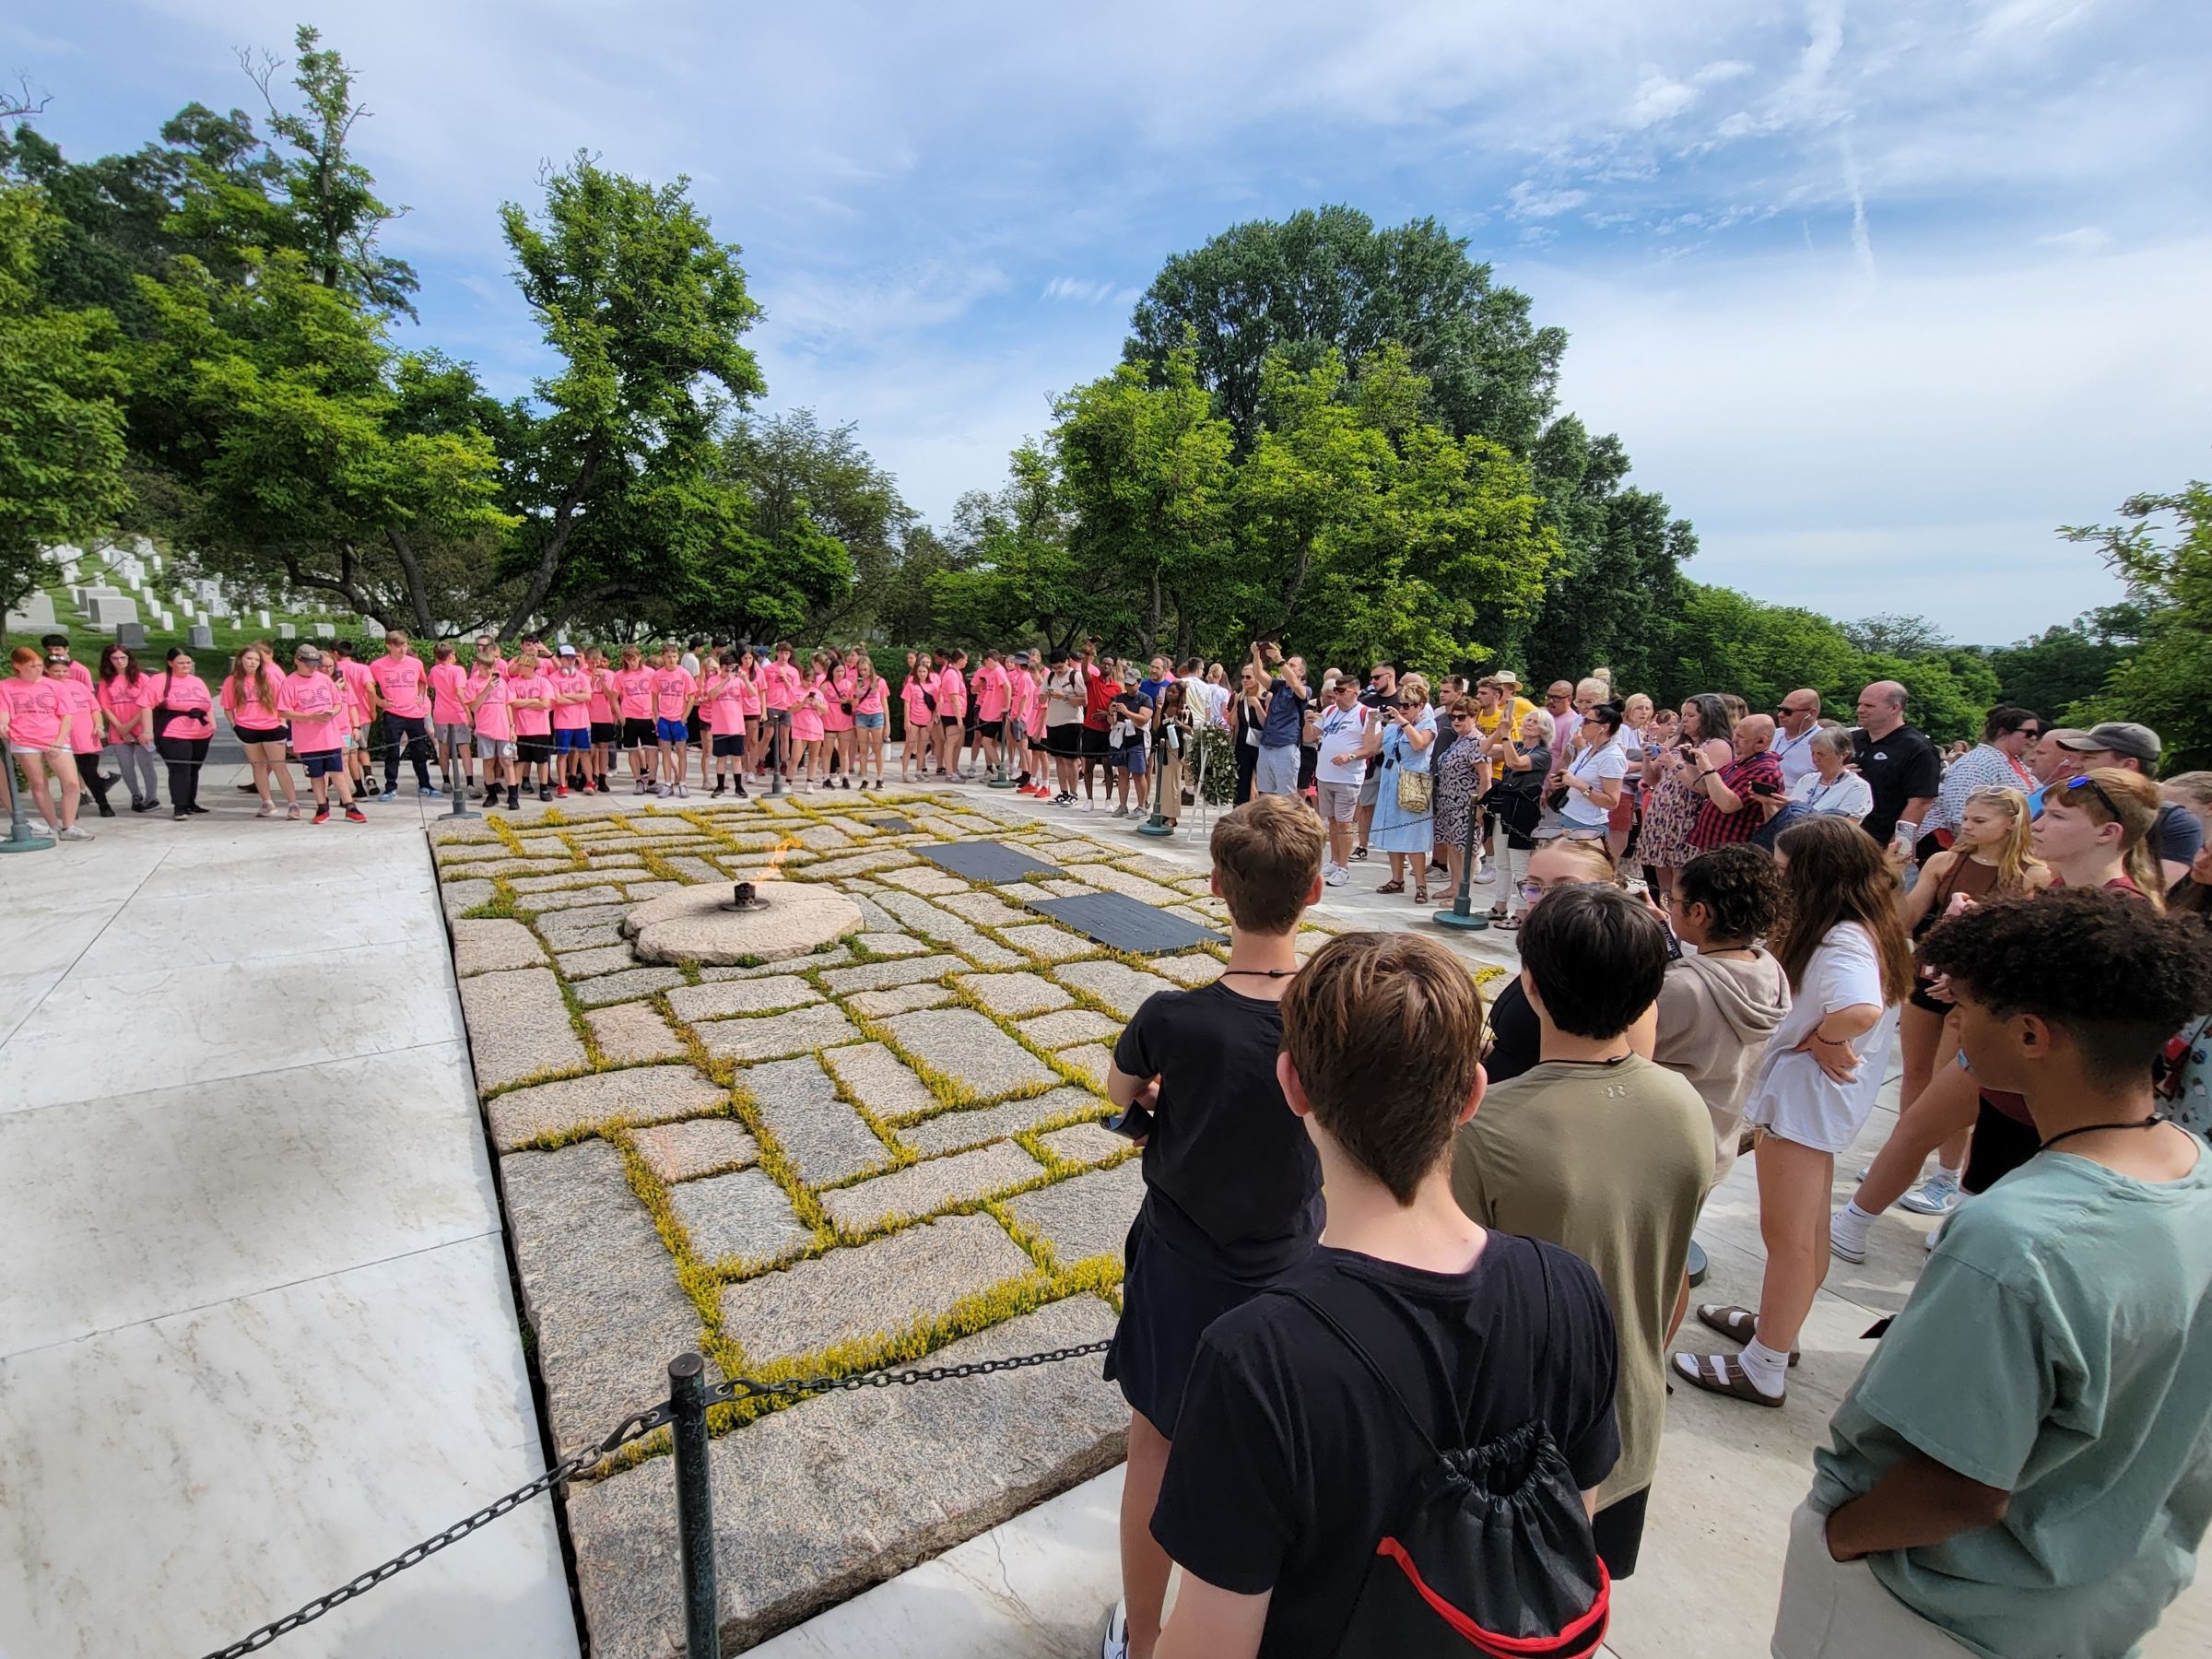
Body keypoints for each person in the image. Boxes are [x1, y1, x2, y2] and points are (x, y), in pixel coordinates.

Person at [1145, 930, 1621, 1659]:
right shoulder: (1570, 1290)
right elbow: (1568, 1544)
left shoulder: (1256, 1357)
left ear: (1293, 1085)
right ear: (1470, 1096)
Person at [1778, 889, 2212, 1659]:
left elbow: (1961, 1485)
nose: (1957, 1024)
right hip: (2102, 1598)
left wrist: (1839, 1539)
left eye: (1968, 1008)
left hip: (1943, 1607)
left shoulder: (2014, 1242)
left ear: (2032, 1034)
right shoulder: (2196, 1178)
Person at [1100, 797, 1327, 1659]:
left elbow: (1119, 1100)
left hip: (1182, 1262)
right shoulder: (1330, 1010)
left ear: (1214, 889)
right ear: (1312, 890)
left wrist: (1158, 1106)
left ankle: (1148, 1634)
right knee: (1269, 1457)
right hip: (1294, 1260)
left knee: (1155, 1444)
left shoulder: (1171, 1015)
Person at [1451, 885, 1708, 1580]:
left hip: (1520, 1439)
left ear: (1529, 986)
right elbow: (1673, 1269)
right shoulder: (1683, 1104)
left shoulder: (1488, 1127)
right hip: (1634, 1416)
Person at [1832, 767, 2170, 1265]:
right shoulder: (2059, 889)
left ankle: (1951, 1244)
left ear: (2108, 833)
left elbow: (2069, 1002)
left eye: (2056, 815)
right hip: (2002, 1059)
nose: (2040, 824)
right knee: (1920, 1128)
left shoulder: (2121, 910)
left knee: (1992, 1178)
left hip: (2047, 1077)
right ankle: (1852, 1226)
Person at [1674, 817, 1912, 1406]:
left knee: (1788, 1237)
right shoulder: (1863, 926)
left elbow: (1859, 1010)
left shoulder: (1842, 941)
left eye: (1783, 870)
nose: (1776, 880)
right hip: (1819, 1107)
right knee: (1809, 1230)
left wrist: (1827, 1039)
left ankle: (1765, 1365)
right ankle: (1779, 1330)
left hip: (1806, 1107)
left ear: (1815, 876)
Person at [1887, 787, 2046, 1217]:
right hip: (1929, 975)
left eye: (1979, 821)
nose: (1966, 827)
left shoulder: (2033, 876)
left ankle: (1946, 1174)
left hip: (1978, 989)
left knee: (1951, 1082)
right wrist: (1897, 876)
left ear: (2011, 822)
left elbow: (2025, 944)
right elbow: (1906, 920)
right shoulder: (1945, 862)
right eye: (1966, 818)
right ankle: (1906, 1158)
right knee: (1915, 1072)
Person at [1653, 845, 1792, 1187]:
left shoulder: (1680, 987)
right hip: (1716, 1145)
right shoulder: (1768, 969)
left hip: (1662, 1147)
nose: (1669, 907)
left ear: (1698, 913)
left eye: (1673, 900)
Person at [1484, 838, 1645, 1086]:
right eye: (1534, 886)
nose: (1544, 899)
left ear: (1609, 891)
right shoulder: (1543, 948)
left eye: (1566, 887)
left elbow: (1627, 1081)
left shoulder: (1619, 971)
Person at [2051, 722, 2204, 886]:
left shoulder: (2174, 821)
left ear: (2128, 765)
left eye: (2088, 757)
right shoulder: (2063, 805)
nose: (2074, 765)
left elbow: (2157, 891)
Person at [1640, 692, 1734, 896]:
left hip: (1687, 819)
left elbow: (1704, 787)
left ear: (1708, 716)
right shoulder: (1676, 740)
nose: (1684, 720)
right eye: (1684, 714)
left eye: (1690, 715)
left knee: (1682, 880)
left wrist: (1673, 764)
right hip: (1662, 817)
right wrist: (1647, 759)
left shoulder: (1718, 745)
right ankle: (1666, 917)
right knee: (1661, 878)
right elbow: (1652, 779)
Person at [1359, 673, 1437, 903]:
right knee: (1393, 832)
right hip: (1391, 779)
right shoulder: (1392, 726)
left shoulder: (1427, 724)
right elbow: (1371, 747)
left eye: (1406, 706)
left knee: (1413, 835)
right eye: (1399, 705)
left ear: (1419, 705)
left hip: (1413, 780)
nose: (1401, 709)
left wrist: (1404, 723)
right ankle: (1397, 879)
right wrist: (1373, 722)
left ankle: (1421, 885)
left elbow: (1420, 744)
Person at [1918, 707, 2040, 853]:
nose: (2034, 738)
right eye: (2029, 733)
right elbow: (1961, 817)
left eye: (2036, 734)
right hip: (1960, 849)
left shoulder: (2013, 762)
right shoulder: (1977, 763)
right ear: (2003, 733)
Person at [3, 645, 88, 839]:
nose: (37, 670)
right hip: (24, 738)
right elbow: (5, 712)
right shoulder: (6, 686)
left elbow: (67, 716)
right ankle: (53, 825)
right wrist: (4, 725)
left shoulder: (55, 686)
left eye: (39, 666)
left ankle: (69, 825)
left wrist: (58, 742)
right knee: (39, 783)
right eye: (31, 666)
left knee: (72, 783)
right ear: (18, 666)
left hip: (54, 737)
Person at [279, 644, 367, 824]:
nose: (312, 667)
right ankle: (322, 807)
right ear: (297, 661)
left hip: (330, 736)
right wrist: (310, 716)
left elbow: (338, 702)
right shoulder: (289, 683)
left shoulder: (324, 679)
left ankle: (349, 806)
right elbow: (283, 711)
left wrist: (332, 713)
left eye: (314, 663)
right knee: (316, 775)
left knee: (337, 771)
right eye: (308, 663)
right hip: (308, 740)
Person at [1482, 707, 1554, 924]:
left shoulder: (1542, 754)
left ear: (1543, 730)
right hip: (1504, 805)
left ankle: (1523, 912)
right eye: (1528, 719)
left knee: (1520, 865)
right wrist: (1499, 730)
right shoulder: (1518, 746)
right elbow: (1484, 749)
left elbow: (1515, 764)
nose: (1528, 723)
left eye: (1534, 721)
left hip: (1523, 809)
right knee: (1502, 861)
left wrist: (1506, 735)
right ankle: (1499, 905)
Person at [1852, 680, 1943, 851]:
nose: (1860, 710)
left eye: (1869, 705)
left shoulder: (1917, 748)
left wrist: (1899, 850)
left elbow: (1920, 803)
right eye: (1860, 704)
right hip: (1844, 840)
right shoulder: (1853, 740)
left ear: (1894, 708)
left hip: (1880, 845)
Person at [1306, 674, 1373, 886]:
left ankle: (1344, 867)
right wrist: (1308, 722)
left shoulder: (1365, 714)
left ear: (1354, 692)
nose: (1337, 695)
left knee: (1344, 823)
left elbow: (1371, 747)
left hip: (1347, 777)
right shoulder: (1329, 711)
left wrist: (1350, 756)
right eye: (1335, 691)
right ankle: (1335, 861)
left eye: (1341, 691)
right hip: (1326, 775)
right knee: (1332, 821)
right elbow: (1308, 737)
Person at [1685, 712, 1783, 850]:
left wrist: (1709, 769)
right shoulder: (1741, 762)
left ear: (1761, 741)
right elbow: (1706, 789)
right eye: (1735, 734)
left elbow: (1728, 804)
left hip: (1733, 850)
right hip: (1714, 846)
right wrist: (1691, 764)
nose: (1734, 740)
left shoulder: (1766, 769)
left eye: (1741, 737)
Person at [222, 644, 299, 819]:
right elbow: (228, 706)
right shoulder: (232, 681)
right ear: (241, 660)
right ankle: (267, 802)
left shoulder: (269, 677)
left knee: (279, 765)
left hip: (272, 726)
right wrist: (235, 725)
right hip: (247, 727)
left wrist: (282, 722)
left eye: (256, 659)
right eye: (249, 658)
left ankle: (293, 804)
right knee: (258, 766)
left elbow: (282, 700)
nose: (253, 662)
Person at [369, 630, 439, 801]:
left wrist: (421, 696)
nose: (402, 649)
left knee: (419, 751)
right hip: (393, 714)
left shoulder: (415, 663)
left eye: (405, 645)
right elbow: (368, 686)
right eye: (398, 646)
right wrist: (379, 701)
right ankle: (391, 787)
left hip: (414, 713)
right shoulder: (377, 665)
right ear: (389, 646)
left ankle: (425, 785)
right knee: (393, 752)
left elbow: (423, 681)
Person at [148, 645, 216, 821]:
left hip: (200, 731)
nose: (186, 666)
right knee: (180, 769)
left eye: (188, 662)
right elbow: (145, 706)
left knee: (194, 768)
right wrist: (147, 730)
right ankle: (179, 806)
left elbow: (208, 705)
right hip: (174, 731)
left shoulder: (197, 681)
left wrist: (212, 724)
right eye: (181, 663)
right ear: (170, 663)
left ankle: (190, 802)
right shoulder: (159, 680)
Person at [1549, 700, 1629, 842]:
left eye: (1587, 721)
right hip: (1568, 815)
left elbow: (1611, 803)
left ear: (1603, 728)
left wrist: (1577, 784)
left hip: (1587, 825)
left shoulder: (1612, 757)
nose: (1581, 725)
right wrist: (1561, 782)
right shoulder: (1588, 749)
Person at [97, 643, 160, 814]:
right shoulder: (106, 681)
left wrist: (129, 727)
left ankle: (152, 797)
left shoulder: (142, 678)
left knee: (145, 764)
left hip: (140, 726)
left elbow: (148, 705)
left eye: (123, 657)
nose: (119, 661)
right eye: (115, 658)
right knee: (126, 765)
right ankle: (135, 795)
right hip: (118, 728)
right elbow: (105, 706)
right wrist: (120, 728)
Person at [48, 654, 111, 820]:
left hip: (85, 735)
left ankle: (103, 804)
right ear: (47, 670)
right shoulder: (46, 687)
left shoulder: (79, 686)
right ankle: (71, 809)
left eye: (64, 670)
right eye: (56, 671)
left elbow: (94, 708)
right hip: (62, 737)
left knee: (90, 772)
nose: (61, 674)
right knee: (67, 776)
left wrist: (98, 725)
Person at [1348, 661, 1398, 858]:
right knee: (1367, 805)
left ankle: (1397, 851)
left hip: (1394, 761)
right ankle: (1362, 845)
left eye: (1377, 677)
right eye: (1372, 678)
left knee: (1394, 806)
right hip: (1371, 761)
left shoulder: (1402, 700)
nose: (1373, 681)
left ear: (1390, 676)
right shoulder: (1367, 701)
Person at [464, 639, 520, 811]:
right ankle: (492, 794)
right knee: (488, 762)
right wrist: (486, 689)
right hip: (485, 729)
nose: (489, 671)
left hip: (503, 728)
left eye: (492, 667)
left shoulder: (501, 682)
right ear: (478, 666)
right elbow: (472, 706)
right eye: (485, 668)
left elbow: (508, 704)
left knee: (507, 762)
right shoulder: (473, 683)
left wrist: (512, 727)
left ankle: (513, 796)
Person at [1248, 641, 1307, 799]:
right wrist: (1256, 654)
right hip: (1267, 746)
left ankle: (1287, 824)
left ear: (1301, 673)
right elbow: (1259, 675)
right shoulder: (1279, 686)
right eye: (1288, 664)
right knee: (1266, 794)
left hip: (1286, 747)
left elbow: (1295, 684)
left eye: (1293, 665)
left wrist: (1279, 661)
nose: (1288, 666)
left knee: (1286, 796)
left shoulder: (1303, 690)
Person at [1788, 725, 1876, 819]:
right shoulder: (1807, 779)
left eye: (1821, 754)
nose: (1815, 759)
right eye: (1813, 753)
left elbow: (1843, 827)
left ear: (1843, 755)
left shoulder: (1857, 787)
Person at [508, 646, 557, 802]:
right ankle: (514, 792)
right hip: (521, 729)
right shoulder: (513, 683)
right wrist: (533, 701)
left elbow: (545, 704)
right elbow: (512, 702)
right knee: (520, 761)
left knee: (542, 761)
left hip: (540, 728)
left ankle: (543, 789)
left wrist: (526, 703)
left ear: (531, 667)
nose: (519, 668)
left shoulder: (543, 682)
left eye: (522, 665)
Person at [429, 642, 475, 798]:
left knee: (444, 748)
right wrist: (468, 713)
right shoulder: (458, 670)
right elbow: (460, 692)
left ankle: (446, 780)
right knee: (464, 749)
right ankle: (470, 782)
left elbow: (430, 683)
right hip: (457, 713)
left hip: (440, 713)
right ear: (450, 656)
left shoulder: (435, 670)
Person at [1150, 679, 1191, 829]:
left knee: (1173, 782)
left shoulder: (1184, 710)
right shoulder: (1164, 707)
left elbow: (1190, 729)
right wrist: (1159, 709)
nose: (1169, 694)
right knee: (1162, 781)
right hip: (1161, 746)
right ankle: (1162, 812)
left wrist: (1179, 724)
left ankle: (1173, 815)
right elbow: (1155, 726)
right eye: (1168, 691)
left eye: (1173, 692)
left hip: (1175, 748)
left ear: (1180, 694)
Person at [1229, 662, 1265, 807]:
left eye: (1248, 677)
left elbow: (1266, 724)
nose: (1244, 680)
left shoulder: (1265, 698)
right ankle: (1239, 816)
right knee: (1241, 785)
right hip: (1243, 744)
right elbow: (1233, 722)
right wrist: (1236, 703)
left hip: (1261, 745)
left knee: (1262, 784)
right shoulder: (1240, 698)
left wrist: (1257, 706)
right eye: (1243, 677)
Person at [1772, 688, 1825, 789]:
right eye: (1780, 709)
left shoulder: (1825, 743)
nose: (1780, 715)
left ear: (1811, 714)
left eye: (1788, 711)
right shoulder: (1772, 734)